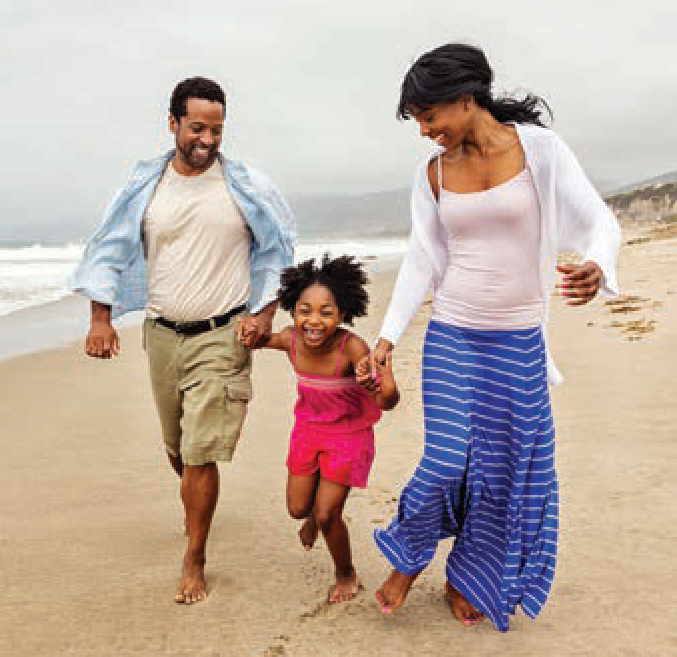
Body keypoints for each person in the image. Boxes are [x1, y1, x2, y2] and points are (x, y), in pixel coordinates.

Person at [363, 43, 621, 631]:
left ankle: (469, 577)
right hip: (453, 334)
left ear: (464, 97)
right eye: (418, 120)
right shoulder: (431, 172)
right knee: (449, 459)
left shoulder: (540, 152)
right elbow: (422, 259)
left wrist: (598, 265)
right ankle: (407, 558)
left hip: (518, 342)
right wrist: (387, 336)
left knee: (503, 470)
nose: (425, 130)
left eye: (429, 116)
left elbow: (598, 221)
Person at [71, 76, 295, 604]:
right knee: (177, 449)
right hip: (163, 335)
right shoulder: (144, 187)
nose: (208, 139)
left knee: (199, 453)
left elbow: (277, 252)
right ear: (172, 123)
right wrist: (100, 318)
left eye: (217, 129)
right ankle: (196, 510)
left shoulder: (245, 185)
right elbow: (108, 249)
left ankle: (194, 557)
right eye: (197, 127)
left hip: (223, 334)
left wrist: (264, 316)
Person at [242, 254, 399, 603]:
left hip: (348, 437)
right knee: (298, 509)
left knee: (329, 514)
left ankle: (346, 573)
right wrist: (249, 329)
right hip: (307, 432)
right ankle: (312, 516)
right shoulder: (290, 340)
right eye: (304, 310)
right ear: (292, 310)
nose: (313, 321)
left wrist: (381, 381)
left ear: (343, 313)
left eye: (326, 313)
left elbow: (388, 401)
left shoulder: (352, 348)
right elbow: (254, 339)